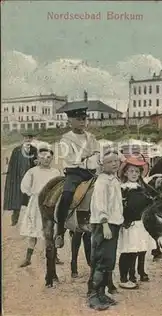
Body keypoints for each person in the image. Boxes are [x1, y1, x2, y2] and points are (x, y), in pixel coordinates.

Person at [55, 106, 100, 248]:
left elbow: (97, 152)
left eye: (84, 119)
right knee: (67, 195)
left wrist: (92, 158)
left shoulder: (90, 137)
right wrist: (86, 158)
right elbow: (69, 159)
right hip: (74, 172)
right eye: (78, 119)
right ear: (70, 121)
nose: (82, 122)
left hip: (90, 171)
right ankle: (60, 231)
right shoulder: (65, 139)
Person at [88, 150, 122, 311]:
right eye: (110, 162)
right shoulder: (102, 181)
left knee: (108, 260)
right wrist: (105, 224)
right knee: (101, 260)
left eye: (116, 160)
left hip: (113, 223)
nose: (114, 164)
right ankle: (93, 295)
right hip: (103, 225)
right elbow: (100, 204)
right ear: (102, 165)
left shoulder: (114, 179)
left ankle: (102, 293)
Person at [117, 156, 156, 289]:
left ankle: (132, 275)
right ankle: (123, 277)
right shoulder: (123, 189)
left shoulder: (143, 189)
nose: (134, 174)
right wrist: (124, 219)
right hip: (129, 225)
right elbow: (120, 207)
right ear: (126, 173)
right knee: (127, 251)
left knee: (137, 250)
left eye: (137, 172)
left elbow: (149, 204)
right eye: (131, 171)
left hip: (140, 225)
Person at [18, 148, 61, 267]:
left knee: (50, 230)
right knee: (33, 231)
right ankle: (28, 258)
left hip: (51, 204)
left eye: (48, 157)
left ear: (52, 158)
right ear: (38, 159)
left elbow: (60, 186)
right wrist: (33, 193)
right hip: (36, 204)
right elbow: (24, 186)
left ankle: (54, 257)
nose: (45, 160)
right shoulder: (32, 171)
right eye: (42, 158)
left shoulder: (56, 172)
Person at [3, 131, 38, 226]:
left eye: (29, 138)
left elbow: (36, 163)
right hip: (18, 178)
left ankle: (31, 221)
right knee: (16, 199)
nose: (27, 139)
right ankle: (14, 220)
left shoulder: (34, 150)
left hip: (30, 178)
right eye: (26, 138)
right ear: (23, 139)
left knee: (31, 200)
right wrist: (12, 179)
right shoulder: (16, 150)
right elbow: (11, 165)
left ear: (31, 139)